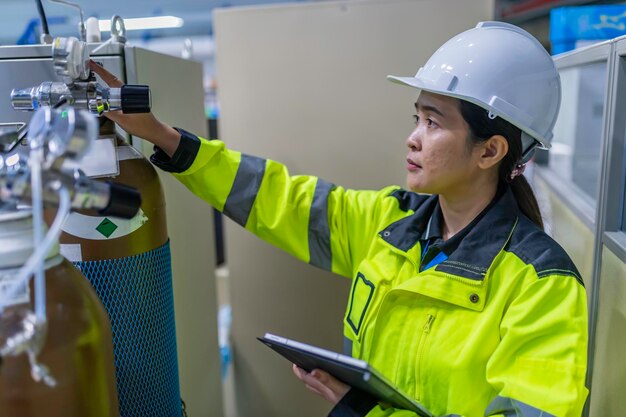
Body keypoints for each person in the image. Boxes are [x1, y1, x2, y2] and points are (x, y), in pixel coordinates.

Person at [90, 21, 587, 417]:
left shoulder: (542, 286)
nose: (413, 137)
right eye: (416, 117)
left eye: (433, 122)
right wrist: (163, 137)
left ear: (490, 150)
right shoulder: (392, 224)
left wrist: (362, 410)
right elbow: (276, 198)